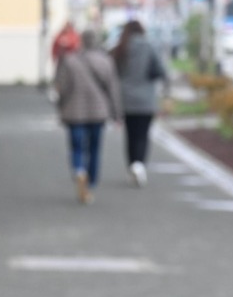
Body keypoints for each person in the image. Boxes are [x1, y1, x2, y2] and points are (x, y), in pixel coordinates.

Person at [53, 29, 118, 204]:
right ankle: (90, 183)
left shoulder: (70, 60)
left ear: (81, 41)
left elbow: (62, 88)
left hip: (74, 112)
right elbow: (112, 89)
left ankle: (79, 170)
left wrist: (60, 107)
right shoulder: (106, 61)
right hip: (98, 112)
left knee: (76, 147)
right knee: (94, 148)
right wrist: (116, 113)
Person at [110, 20, 169, 188]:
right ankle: (139, 164)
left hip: (126, 100)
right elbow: (161, 70)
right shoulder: (150, 47)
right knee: (143, 135)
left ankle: (132, 166)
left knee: (130, 135)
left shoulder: (120, 49)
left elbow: (112, 73)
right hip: (146, 100)